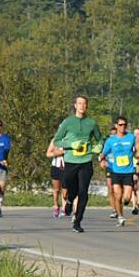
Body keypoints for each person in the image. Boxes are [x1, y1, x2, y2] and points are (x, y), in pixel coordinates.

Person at [48, 95, 101, 232]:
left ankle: (77, 222)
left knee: (83, 192)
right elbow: (57, 141)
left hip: (86, 161)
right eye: (79, 103)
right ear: (75, 106)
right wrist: (71, 145)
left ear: (87, 106)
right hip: (70, 161)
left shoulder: (91, 123)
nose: (82, 106)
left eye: (84, 103)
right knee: (69, 188)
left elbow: (100, 139)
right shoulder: (68, 122)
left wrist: (99, 146)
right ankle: (69, 201)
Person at [100, 117, 138, 224]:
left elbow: (137, 150)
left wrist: (138, 157)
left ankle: (124, 204)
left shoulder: (131, 137)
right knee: (118, 195)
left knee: (127, 198)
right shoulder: (111, 140)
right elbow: (103, 153)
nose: (123, 127)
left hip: (128, 171)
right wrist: (102, 160)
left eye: (124, 125)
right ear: (116, 126)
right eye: (120, 125)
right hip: (115, 171)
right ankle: (120, 217)